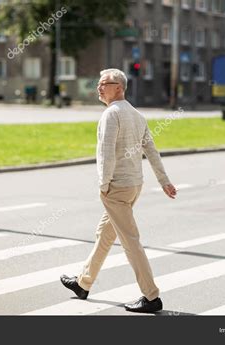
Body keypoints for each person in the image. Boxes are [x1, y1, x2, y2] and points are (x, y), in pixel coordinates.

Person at [60, 68, 177, 313]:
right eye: (99, 83)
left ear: (119, 88)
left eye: (105, 83)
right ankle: (83, 283)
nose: (99, 88)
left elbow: (106, 153)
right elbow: (152, 151)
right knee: (104, 233)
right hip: (134, 185)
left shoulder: (111, 114)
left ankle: (151, 297)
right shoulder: (136, 115)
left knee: (130, 241)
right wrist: (164, 180)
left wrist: (103, 186)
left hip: (116, 187)